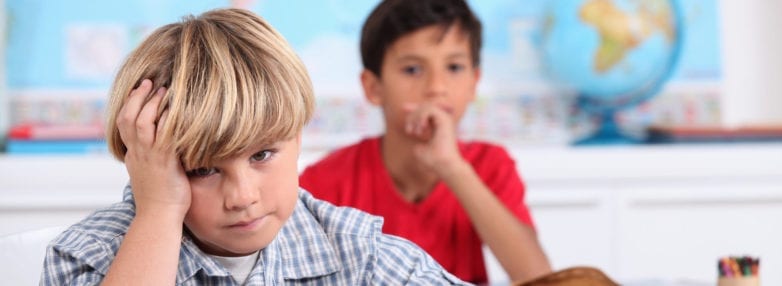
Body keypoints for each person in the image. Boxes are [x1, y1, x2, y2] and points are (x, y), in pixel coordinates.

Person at [40, 8, 467, 285]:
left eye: (262, 155)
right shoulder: (89, 257)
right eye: (203, 170)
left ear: (298, 134)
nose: (243, 197)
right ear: (148, 165)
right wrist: (160, 211)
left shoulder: (361, 255)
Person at [299, 0, 552, 284]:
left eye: (454, 67)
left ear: (474, 83)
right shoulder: (325, 182)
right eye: (412, 70)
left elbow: (538, 277)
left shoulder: (490, 165)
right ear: (373, 87)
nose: (436, 88)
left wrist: (453, 168)